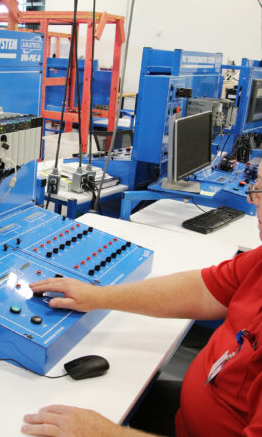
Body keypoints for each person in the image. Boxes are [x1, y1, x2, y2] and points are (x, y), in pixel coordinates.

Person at [22, 161, 262, 437]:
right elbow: (204, 289)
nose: (251, 199)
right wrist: (96, 296)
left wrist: (107, 434)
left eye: (260, 189)